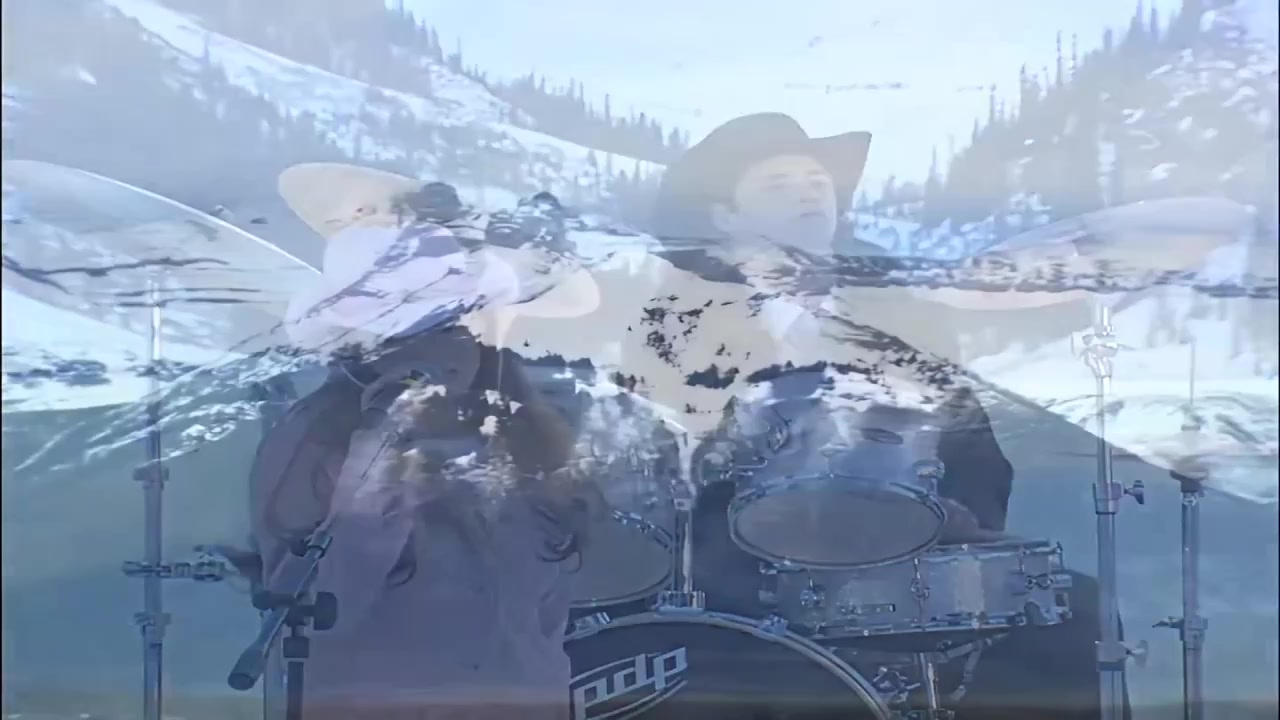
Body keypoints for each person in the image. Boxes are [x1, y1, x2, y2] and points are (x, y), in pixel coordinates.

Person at [645, 112, 1130, 719]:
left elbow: (972, 445)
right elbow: (664, 461)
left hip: (907, 552)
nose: (809, 193)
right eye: (778, 184)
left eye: (817, 181)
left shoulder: (899, 310)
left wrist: (957, 513)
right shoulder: (679, 319)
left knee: (1068, 607)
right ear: (725, 216)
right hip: (746, 567)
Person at [251, 163, 604, 719]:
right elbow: (324, 605)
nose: (470, 333)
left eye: (474, 310)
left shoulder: (527, 435)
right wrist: (396, 432)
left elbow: (543, 612)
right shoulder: (316, 439)